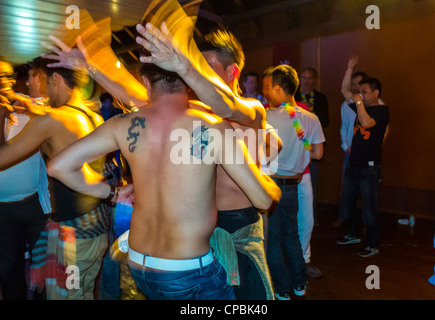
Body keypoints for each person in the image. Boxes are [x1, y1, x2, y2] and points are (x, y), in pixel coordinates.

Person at [47, 62, 281, 300]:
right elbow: (261, 199)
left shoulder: (124, 124)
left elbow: (58, 166)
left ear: (146, 83)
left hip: (139, 265)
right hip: (188, 270)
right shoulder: (212, 127)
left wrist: (112, 193)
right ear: (189, 84)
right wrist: (272, 185)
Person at [135, 20, 282, 300]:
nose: (195, 78)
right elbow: (134, 96)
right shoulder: (192, 111)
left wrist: (186, 68)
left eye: (206, 69)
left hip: (241, 229)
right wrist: (93, 66)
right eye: (196, 68)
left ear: (232, 72)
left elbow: (224, 105)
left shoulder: (252, 110)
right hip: (201, 234)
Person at [0, 59, 110, 299]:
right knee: (85, 291)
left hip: (74, 235)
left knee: (67, 296)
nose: (42, 90)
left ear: (56, 80)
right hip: (99, 226)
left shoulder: (51, 120)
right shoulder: (93, 115)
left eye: (45, 81)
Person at [265, 64, 325, 300]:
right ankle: (299, 284)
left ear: (279, 89)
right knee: (291, 235)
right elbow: (318, 153)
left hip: (271, 185)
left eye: (270, 88)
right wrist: (299, 154)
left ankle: (281, 289)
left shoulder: (266, 116)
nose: (267, 92)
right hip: (293, 185)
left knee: (273, 240)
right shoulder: (310, 118)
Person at [0, 56, 51, 300]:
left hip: (35, 206)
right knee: (7, 270)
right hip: (2, 210)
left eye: (9, 76)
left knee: (43, 269)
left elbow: (55, 117)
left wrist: (25, 104)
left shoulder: (31, 109)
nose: (5, 81)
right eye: (0, 76)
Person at [337, 55, 390, 257]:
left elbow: (367, 123)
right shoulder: (360, 105)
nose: (361, 95)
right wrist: (349, 69)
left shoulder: (382, 110)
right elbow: (344, 91)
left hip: (370, 167)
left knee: (369, 207)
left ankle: (372, 244)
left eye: (365, 92)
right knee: (348, 201)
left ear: (376, 93)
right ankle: (353, 234)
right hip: (354, 163)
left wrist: (358, 103)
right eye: (360, 91)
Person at [333, 71, 368, 228]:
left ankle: (367, 223)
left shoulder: (374, 103)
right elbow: (343, 128)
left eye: (359, 84)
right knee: (346, 188)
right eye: (353, 84)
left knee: (367, 191)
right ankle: (344, 218)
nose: (355, 87)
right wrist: (345, 146)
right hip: (350, 153)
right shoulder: (345, 105)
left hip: (367, 155)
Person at [295, 67, 328, 224]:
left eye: (309, 78)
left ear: (314, 80)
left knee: (311, 180)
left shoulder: (320, 98)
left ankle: (311, 214)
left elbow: (326, 122)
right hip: (295, 144)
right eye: (304, 77)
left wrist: (311, 120)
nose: (306, 81)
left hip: (313, 143)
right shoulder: (294, 97)